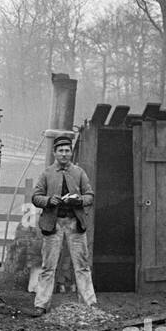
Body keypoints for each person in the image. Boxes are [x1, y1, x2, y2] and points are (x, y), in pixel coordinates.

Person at [31, 133, 97, 312]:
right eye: (60, 150)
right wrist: (48, 201)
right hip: (53, 224)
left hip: (75, 224)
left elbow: (90, 195)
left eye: (67, 150)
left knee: (82, 265)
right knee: (48, 266)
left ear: (70, 153)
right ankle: (41, 304)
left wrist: (79, 200)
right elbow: (36, 197)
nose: (64, 154)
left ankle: (89, 304)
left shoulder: (79, 172)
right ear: (54, 153)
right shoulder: (46, 173)